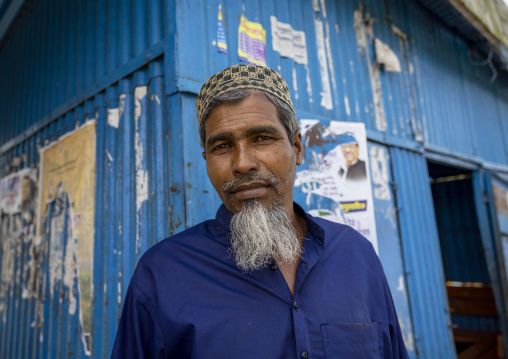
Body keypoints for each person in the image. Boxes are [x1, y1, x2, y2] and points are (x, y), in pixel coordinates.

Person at [112, 64, 408, 358]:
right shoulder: (161, 274)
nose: (242, 163)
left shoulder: (357, 255)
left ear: (297, 147)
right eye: (222, 146)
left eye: (261, 138)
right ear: (206, 160)